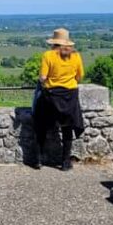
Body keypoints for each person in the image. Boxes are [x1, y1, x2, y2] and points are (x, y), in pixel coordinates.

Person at [32, 28, 84, 171]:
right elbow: (79, 77)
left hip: (51, 96)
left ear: (54, 42)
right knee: (67, 128)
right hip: (69, 96)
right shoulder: (76, 56)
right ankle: (65, 162)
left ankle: (38, 159)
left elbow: (43, 77)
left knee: (40, 125)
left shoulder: (48, 55)